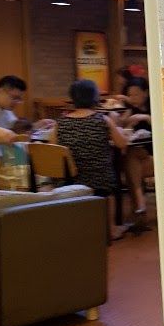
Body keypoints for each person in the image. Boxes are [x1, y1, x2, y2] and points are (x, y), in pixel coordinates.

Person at [56, 79, 131, 242]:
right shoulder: (102, 120)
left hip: (71, 179)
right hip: (100, 179)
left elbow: (53, 146)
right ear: (95, 97)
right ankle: (111, 229)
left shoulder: (61, 123)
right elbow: (121, 143)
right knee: (109, 184)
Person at [120, 78, 154, 228]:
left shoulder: (154, 107)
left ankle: (139, 206)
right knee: (131, 157)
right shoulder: (128, 110)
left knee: (129, 161)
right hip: (137, 156)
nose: (133, 98)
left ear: (145, 93)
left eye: (136, 95)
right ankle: (141, 205)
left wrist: (146, 117)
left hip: (155, 156)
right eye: (130, 95)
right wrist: (125, 121)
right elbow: (119, 129)